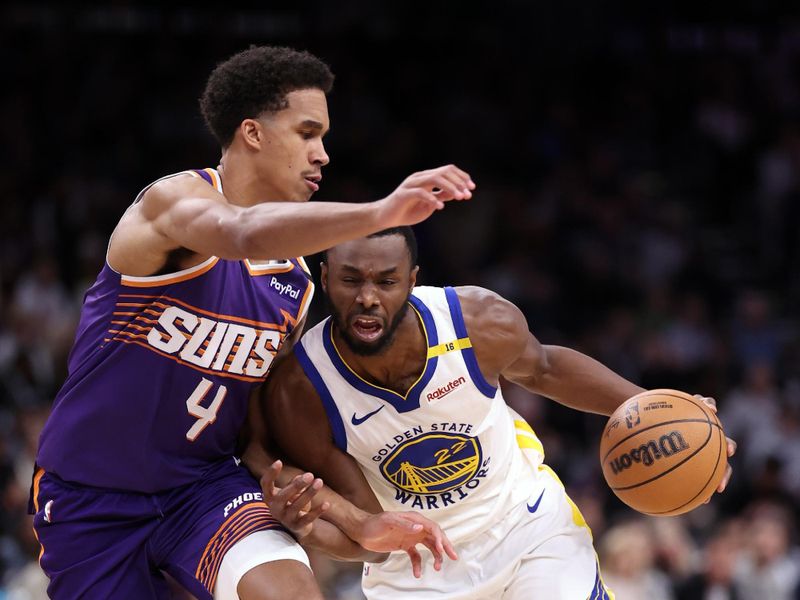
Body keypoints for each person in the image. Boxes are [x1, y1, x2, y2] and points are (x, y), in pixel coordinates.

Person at [29, 46, 474, 600]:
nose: (323, 155)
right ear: (253, 133)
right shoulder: (170, 205)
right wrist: (379, 213)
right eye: (307, 133)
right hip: (92, 496)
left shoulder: (296, 285)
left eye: (324, 137)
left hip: (203, 490)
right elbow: (241, 232)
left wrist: (349, 520)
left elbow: (256, 442)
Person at [255, 226, 736, 599]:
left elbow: (545, 368)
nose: (367, 297)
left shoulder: (476, 320)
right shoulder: (302, 390)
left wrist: (659, 409)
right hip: (419, 568)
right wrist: (309, 529)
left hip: (525, 523)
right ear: (323, 279)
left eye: (386, 281)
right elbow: (367, 534)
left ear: (412, 280)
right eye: (350, 279)